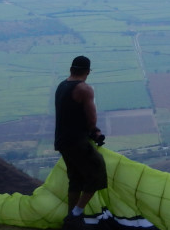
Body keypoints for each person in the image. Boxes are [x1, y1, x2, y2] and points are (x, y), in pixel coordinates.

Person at [54, 56, 107, 228]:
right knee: (97, 170)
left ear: (71, 69)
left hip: (62, 141)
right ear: (88, 72)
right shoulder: (84, 89)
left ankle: (71, 218)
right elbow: (91, 120)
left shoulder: (62, 86)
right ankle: (76, 214)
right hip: (77, 141)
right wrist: (95, 132)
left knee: (75, 178)